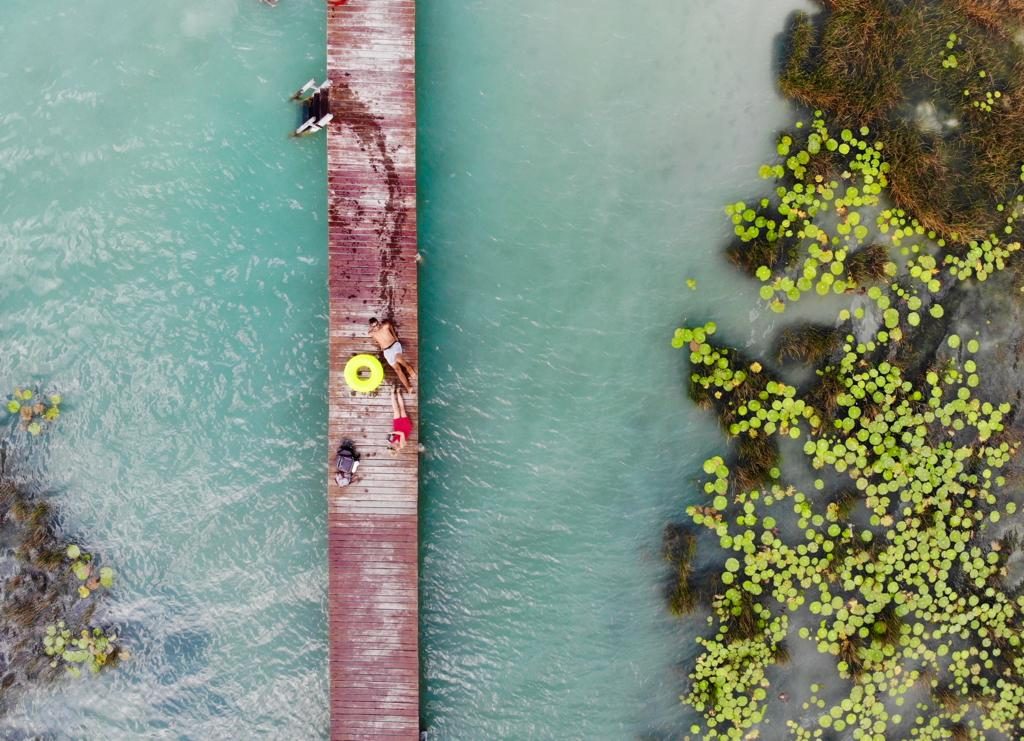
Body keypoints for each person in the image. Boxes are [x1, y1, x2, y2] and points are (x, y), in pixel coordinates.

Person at [368, 317, 416, 392]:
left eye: (377, 324)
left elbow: (390, 325)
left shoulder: (385, 326)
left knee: (398, 358)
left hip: (394, 345)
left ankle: (408, 367)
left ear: (378, 322)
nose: (376, 327)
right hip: (386, 351)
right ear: (371, 326)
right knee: (397, 370)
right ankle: (408, 387)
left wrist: (395, 336)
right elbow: (372, 336)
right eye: (374, 326)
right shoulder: (371, 333)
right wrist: (379, 343)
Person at [387, 386, 413, 453]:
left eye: (391, 446)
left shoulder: (392, 442)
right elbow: (402, 434)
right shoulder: (401, 445)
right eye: (392, 447)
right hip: (405, 427)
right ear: (396, 449)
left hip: (397, 427)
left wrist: (390, 436)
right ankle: (398, 392)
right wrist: (393, 432)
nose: (392, 445)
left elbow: (391, 436)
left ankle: (392, 392)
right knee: (402, 409)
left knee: (395, 410)